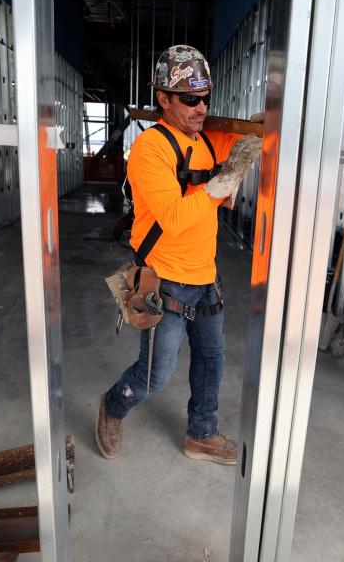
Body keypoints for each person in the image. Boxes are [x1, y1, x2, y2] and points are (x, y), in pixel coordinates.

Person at [95, 45, 261, 465]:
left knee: (212, 361)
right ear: (163, 98)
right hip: (165, 277)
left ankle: (201, 435)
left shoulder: (205, 137)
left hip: (205, 276)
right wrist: (225, 180)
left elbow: (254, 133)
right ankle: (113, 407)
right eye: (189, 98)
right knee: (155, 373)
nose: (200, 106)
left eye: (205, 96)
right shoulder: (151, 150)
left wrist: (265, 125)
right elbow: (172, 217)